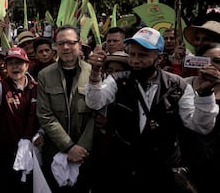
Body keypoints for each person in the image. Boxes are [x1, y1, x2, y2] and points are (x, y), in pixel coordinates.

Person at [85, 27, 219, 193]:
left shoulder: (178, 86)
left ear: (159, 58)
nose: (135, 60)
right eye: (132, 54)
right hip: (123, 168)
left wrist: (205, 94)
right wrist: (95, 74)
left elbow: (200, 126)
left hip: (162, 172)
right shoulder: (117, 80)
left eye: (142, 55)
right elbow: (95, 102)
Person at [36, 24, 95, 193]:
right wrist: (69, 147)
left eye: (70, 42)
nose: (66, 47)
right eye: (60, 43)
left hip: (85, 153)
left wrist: (81, 148)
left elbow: (96, 114)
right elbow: (45, 114)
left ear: (80, 43)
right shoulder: (45, 75)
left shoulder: (93, 73)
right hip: (55, 152)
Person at [0, 46, 40, 193]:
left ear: (27, 65)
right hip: (7, 155)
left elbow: (44, 115)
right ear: (6, 67)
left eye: (19, 62)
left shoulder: (36, 87)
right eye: (11, 63)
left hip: (33, 152)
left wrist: (41, 133)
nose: (15, 67)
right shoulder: (2, 86)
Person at [182, 43, 220, 192]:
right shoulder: (182, 87)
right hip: (189, 167)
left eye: (217, 61)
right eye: (204, 61)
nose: (210, 66)